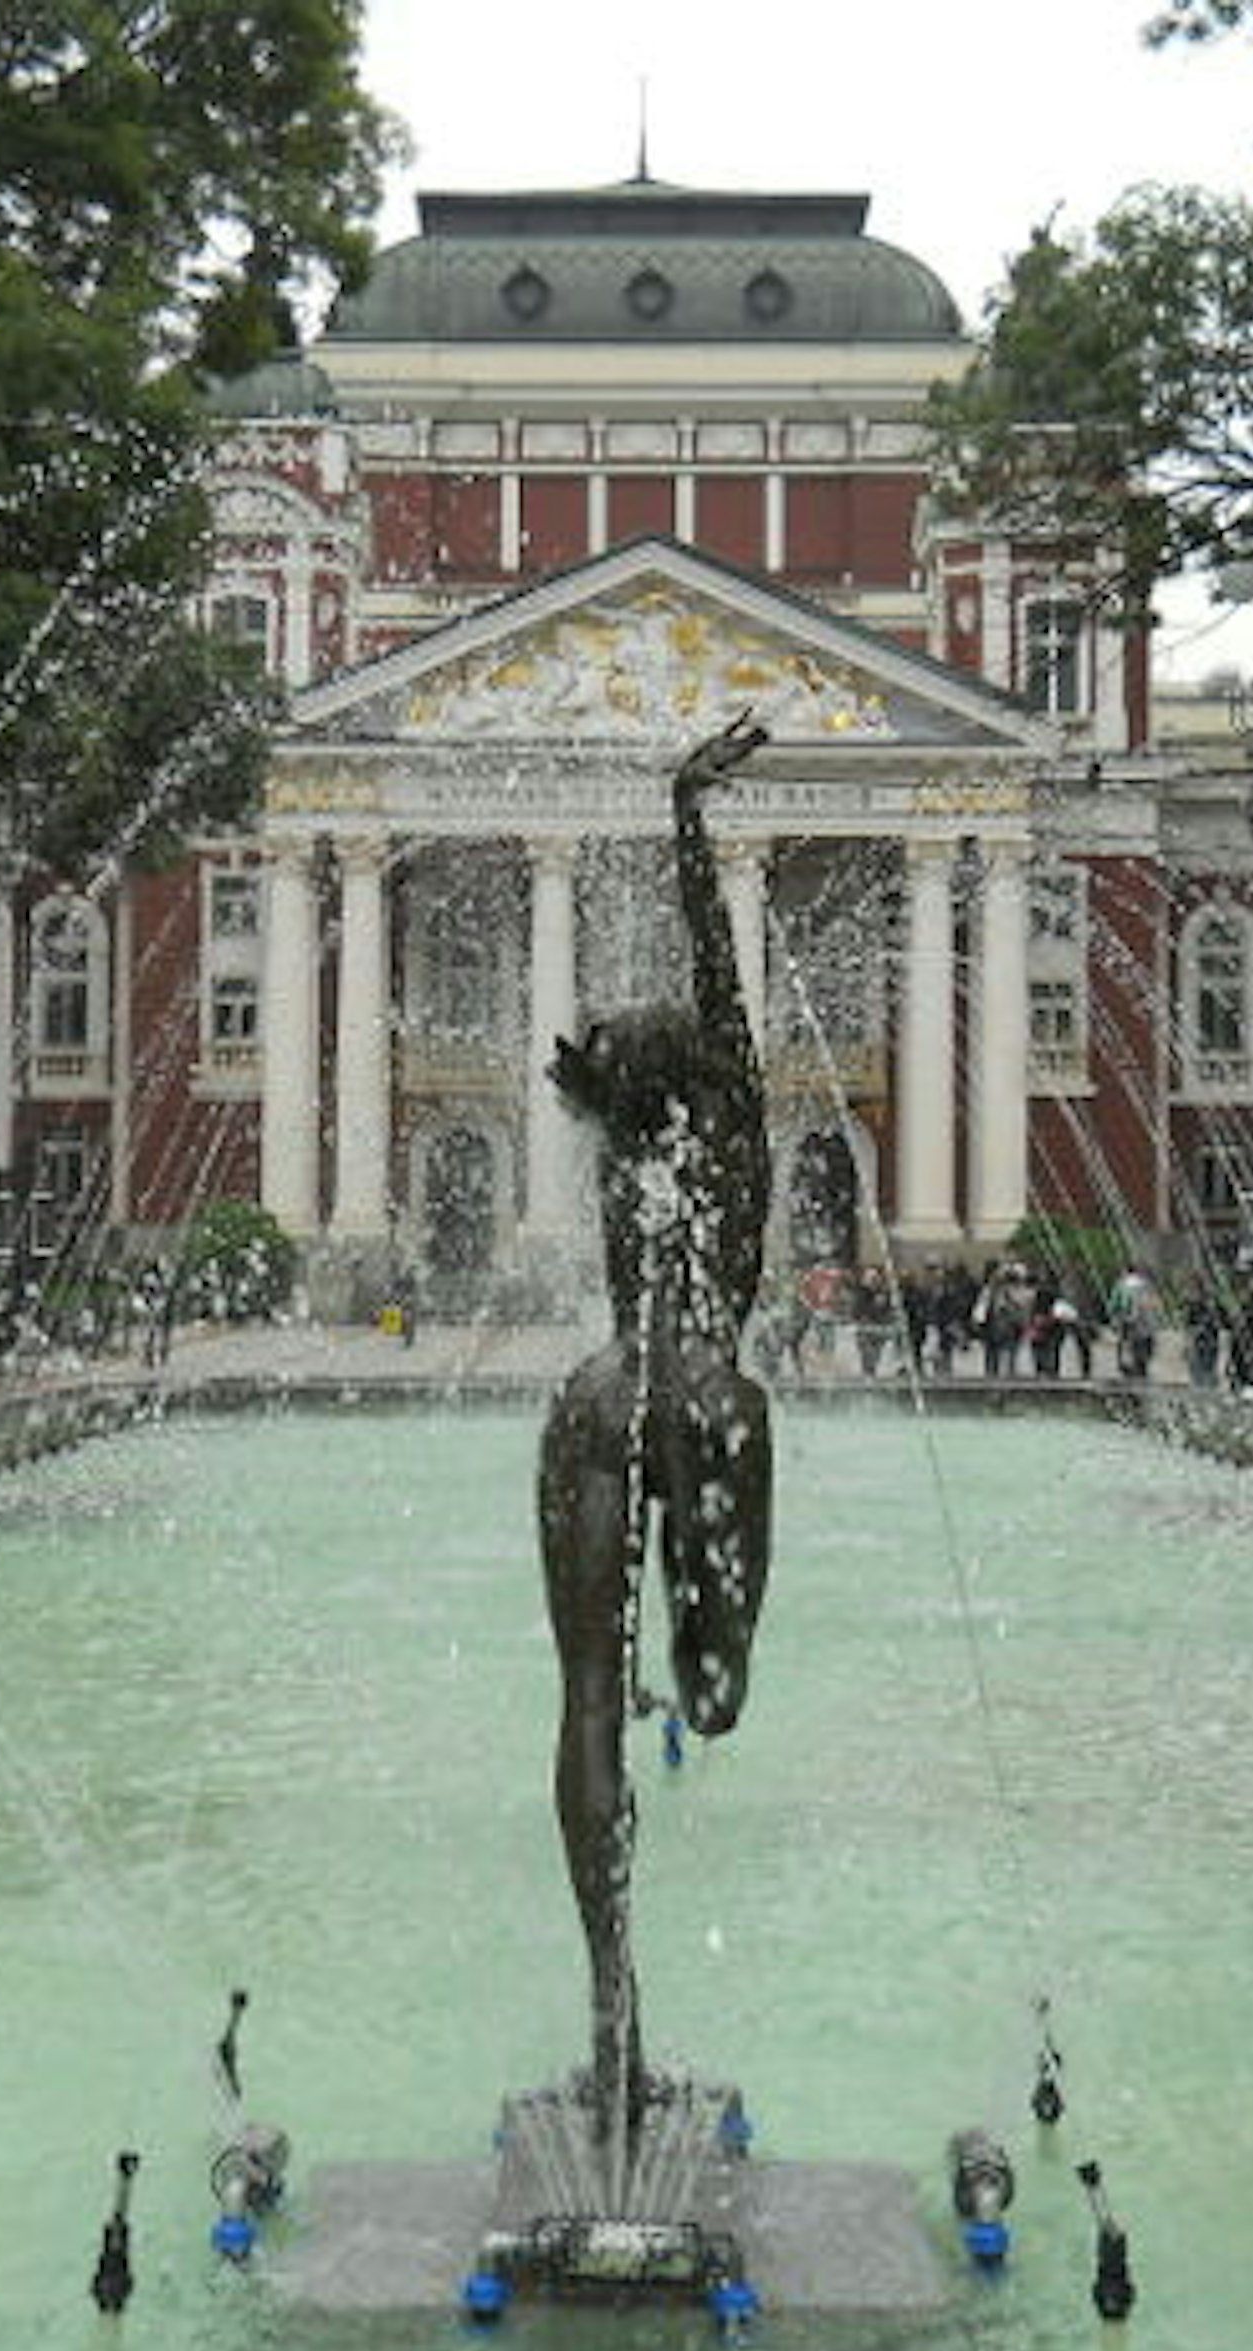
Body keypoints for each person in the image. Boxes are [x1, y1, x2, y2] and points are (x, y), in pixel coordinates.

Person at [534, 713, 776, 2139]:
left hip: (600, 1398)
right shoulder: (728, 1120)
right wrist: (686, 816)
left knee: (580, 1697)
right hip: (711, 1400)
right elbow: (720, 974)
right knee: (716, 1695)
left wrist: (675, 807)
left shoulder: (624, 1147)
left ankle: (614, 2020)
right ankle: (697, 1659)